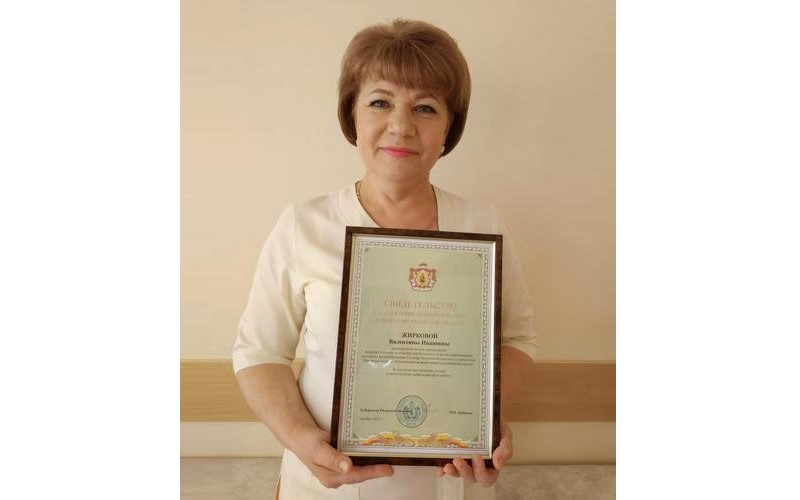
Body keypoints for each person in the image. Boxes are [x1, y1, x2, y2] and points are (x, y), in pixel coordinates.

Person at [233, 19, 538, 500]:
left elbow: (517, 339)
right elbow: (259, 352)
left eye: (425, 107)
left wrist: (486, 417)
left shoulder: (484, 227)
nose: (401, 125)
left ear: (449, 128)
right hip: (324, 487)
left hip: (452, 484)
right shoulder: (302, 225)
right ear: (351, 115)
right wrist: (303, 440)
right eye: (380, 102)